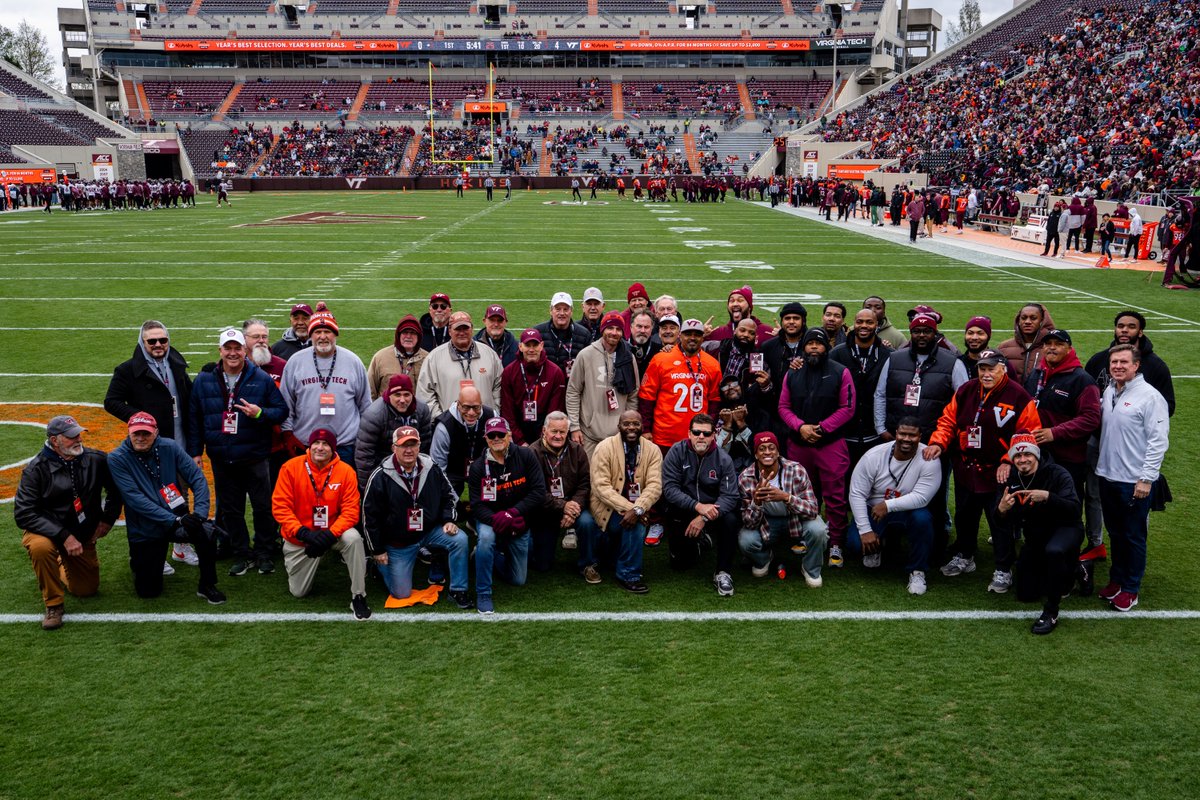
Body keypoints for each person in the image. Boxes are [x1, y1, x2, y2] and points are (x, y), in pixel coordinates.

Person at [925, 349, 1040, 592]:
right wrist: (938, 442)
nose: (985, 374)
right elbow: (948, 421)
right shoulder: (966, 390)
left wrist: (1008, 460)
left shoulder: (1019, 396)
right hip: (966, 467)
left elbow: (1027, 435)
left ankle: (1003, 568)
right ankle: (965, 555)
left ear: (1003, 369)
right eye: (981, 368)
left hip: (999, 471)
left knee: (1000, 520)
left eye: (991, 369)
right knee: (965, 515)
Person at [187, 328, 288, 577]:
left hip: (254, 455)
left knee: (263, 507)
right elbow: (194, 417)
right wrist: (195, 451)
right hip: (222, 456)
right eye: (228, 348)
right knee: (231, 509)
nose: (233, 353)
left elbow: (281, 411)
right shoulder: (204, 380)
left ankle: (264, 552)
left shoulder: (261, 378)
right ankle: (242, 553)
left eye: (237, 348)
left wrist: (260, 414)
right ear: (220, 351)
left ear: (246, 350)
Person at [14, 415, 122, 630]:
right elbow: (24, 513)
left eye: (79, 434)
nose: (79, 439)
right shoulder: (35, 470)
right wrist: (64, 536)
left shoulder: (96, 459)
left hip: (80, 532)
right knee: (40, 548)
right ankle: (54, 604)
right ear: (55, 441)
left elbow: (116, 490)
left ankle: (61, 563)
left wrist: (107, 519)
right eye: (72, 437)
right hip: (45, 530)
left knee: (87, 590)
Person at [1082, 311, 1175, 554]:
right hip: (1101, 451)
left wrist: (1146, 475)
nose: (1125, 330)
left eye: (1131, 326)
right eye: (1120, 326)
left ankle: (1131, 573)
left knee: (1133, 521)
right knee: (1097, 500)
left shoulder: (1156, 370)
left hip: (1134, 455)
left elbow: (1164, 417)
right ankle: (1096, 545)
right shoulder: (1102, 368)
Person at [108, 412, 223, 604]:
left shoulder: (169, 446)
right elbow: (135, 499)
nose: (140, 438)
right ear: (128, 432)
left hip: (175, 515)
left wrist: (200, 515)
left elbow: (197, 478)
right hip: (145, 526)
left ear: (156, 432)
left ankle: (207, 585)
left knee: (206, 532)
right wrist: (176, 520)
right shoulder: (117, 458)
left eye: (146, 433)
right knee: (148, 591)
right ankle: (139, 561)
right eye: (136, 433)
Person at [361, 425, 472, 609]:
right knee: (401, 593)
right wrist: (377, 549)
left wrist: (448, 520)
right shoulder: (380, 476)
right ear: (393, 448)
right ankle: (380, 567)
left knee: (459, 539)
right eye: (404, 445)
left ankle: (458, 590)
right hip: (398, 542)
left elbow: (450, 496)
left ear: (419, 446)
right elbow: (369, 516)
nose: (409, 450)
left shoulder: (431, 467)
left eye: (413, 444)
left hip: (429, 531)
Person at [1095, 344, 1170, 612]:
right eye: (1114, 362)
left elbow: (1158, 441)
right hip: (1108, 476)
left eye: (1124, 362)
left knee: (1133, 535)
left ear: (1136, 365)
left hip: (1133, 481)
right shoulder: (1110, 390)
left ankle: (1131, 588)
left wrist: (1146, 478)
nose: (1117, 366)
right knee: (1115, 533)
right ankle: (1117, 579)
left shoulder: (1150, 397)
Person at [272, 428, 371, 620]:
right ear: (309, 446)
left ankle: (358, 595)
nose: (320, 447)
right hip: (301, 538)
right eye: (316, 443)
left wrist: (329, 535)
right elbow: (280, 507)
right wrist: (303, 533)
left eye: (326, 444)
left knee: (353, 538)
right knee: (299, 592)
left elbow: (351, 511)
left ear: (333, 449)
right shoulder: (290, 468)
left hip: (332, 533)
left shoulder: (345, 471)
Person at [778, 328, 856, 567]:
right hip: (799, 444)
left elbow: (848, 407)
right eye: (809, 343)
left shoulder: (840, 372)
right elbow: (783, 406)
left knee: (834, 496)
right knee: (803, 494)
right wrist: (800, 427)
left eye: (818, 344)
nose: (813, 347)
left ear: (826, 348)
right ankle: (804, 535)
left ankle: (835, 543)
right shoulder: (793, 373)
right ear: (803, 347)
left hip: (830, 444)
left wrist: (821, 428)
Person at [995, 433, 1084, 635]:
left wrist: (1048, 497)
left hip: (1066, 528)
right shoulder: (1009, 478)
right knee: (1026, 594)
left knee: (1054, 551)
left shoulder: (1058, 473)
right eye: (1017, 456)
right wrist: (1001, 510)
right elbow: (1001, 522)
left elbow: (1075, 509)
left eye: (1028, 454)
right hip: (1036, 536)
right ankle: (1078, 569)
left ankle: (1051, 612)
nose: (1023, 459)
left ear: (1036, 455)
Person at [847, 418, 941, 595]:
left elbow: (922, 497)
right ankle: (877, 546)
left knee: (923, 519)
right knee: (855, 544)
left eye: (912, 435)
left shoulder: (929, 458)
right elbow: (857, 493)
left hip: (907, 509)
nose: (907, 439)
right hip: (874, 508)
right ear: (896, 434)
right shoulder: (873, 456)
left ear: (919, 437)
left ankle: (917, 570)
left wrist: (888, 505)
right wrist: (865, 530)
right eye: (903, 434)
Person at [467, 418, 548, 614]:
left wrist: (513, 513)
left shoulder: (526, 455)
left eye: (501, 434)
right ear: (486, 438)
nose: (497, 438)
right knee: (486, 538)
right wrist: (496, 519)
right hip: (490, 519)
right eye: (492, 435)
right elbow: (477, 505)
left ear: (509, 435)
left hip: (519, 519)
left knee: (518, 579)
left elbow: (538, 491)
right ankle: (483, 593)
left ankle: (486, 555)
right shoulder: (478, 467)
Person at [279, 302, 371, 465]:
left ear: (335, 334)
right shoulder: (295, 362)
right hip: (305, 444)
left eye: (327, 331)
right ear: (310, 335)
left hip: (345, 445)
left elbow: (365, 405)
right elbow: (286, 403)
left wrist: (362, 439)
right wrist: (288, 434)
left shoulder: (353, 362)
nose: (322, 336)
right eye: (317, 332)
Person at [660, 413, 740, 596]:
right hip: (685, 507)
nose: (701, 437)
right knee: (680, 564)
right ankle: (698, 541)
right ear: (689, 433)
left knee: (731, 519)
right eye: (696, 432)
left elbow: (730, 496)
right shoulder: (676, 451)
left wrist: (704, 516)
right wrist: (697, 506)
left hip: (714, 511)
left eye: (706, 433)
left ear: (713, 435)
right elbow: (670, 489)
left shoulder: (723, 459)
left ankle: (723, 572)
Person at [736, 431, 827, 587]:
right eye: (762, 448)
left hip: (796, 519)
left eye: (771, 448)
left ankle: (810, 568)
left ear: (778, 452)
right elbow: (748, 523)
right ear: (756, 454)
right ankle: (765, 558)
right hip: (766, 522)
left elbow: (813, 509)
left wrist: (786, 497)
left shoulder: (796, 470)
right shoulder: (746, 478)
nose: (767, 452)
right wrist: (756, 502)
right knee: (746, 540)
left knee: (819, 530)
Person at [586, 410, 662, 593]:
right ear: (618, 426)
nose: (631, 428)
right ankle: (616, 563)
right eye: (626, 423)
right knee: (632, 522)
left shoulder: (652, 450)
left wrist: (637, 510)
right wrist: (634, 510)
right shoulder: (604, 447)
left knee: (634, 524)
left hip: (635, 509)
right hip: (607, 508)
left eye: (635, 424)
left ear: (642, 426)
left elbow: (655, 486)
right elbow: (600, 487)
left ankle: (629, 575)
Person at [1023, 329, 1101, 501]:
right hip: (1037, 455)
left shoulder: (1082, 380)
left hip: (1067, 459)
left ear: (1069, 349)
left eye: (1059, 344)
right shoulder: (1036, 374)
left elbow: (1090, 419)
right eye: (1048, 344)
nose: (1052, 348)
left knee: (1066, 506)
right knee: (1035, 506)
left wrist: (1054, 433)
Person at [105, 320, 192, 449]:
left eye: (163, 340)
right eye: (152, 341)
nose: (158, 344)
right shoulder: (127, 370)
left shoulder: (177, 364)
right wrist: (140, 418)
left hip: (181, 436)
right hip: (149, 439)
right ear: (142, 343)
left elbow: (191, 396)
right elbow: (111, 402)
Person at [528, 412, 597, 574]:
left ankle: (588, 565)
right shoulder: (532, 452)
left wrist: (572, 509)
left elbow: (585, 485)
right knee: (542, 566)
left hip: (574, 505)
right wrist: (563, 506)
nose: (558, 436)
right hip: (545, 509)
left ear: (567, 432)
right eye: (554, 431)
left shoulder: (578, 451)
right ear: (544, 431)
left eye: (562, 432)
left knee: (587, 522)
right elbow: (536, 491)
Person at [639, 319, 722, 449]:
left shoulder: (712, 364)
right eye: (688, 334)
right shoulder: (661, 359)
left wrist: (708, 430)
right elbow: (646, 397)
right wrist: (645, 429)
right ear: (680, 335)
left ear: (703, 337)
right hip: (664, 438)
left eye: (697, 334)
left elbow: (715, 402)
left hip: (697, 438)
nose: (692, 338)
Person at [566, 311, 640, 455]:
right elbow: (573, 391)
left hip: (619, 436)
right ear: (602, 330)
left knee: (616, 476)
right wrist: (575, 427)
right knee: (590, 476)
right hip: (589, 435)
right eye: (610, 328)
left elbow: (633, 394)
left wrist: (628, 425)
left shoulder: (628, 358)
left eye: (618, 329)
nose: (614, 332)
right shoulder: (586, 355)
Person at [830, 308, 892, 468]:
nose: (864, 325)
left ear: (877, 325)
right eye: (859, 322)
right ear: (853, 324)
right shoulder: (836, 354)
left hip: (876, 435)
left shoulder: (889, 355)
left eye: (869, 322)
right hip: (843, 435)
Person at [418, 310, 503, 418]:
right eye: (458, 329)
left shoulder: (489, 354)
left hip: (484, 425)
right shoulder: (434, 358)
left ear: (472, 329)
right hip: (451, 427)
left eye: (465, 328)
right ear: (449, 331)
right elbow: (425, 394)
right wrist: (441, 419)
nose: (462, 332)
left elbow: (499, 389)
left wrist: (493, 414)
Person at [355, 373, 433, 488]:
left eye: (407, 395)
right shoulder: (374, 414)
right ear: (389, 394)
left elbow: (424, 448)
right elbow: (365, 456)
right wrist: (369, 488)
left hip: (412, 466)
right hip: (383, 468)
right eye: (397, 395)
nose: (402, 400)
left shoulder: (422, 410)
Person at [500, 328, 566, 446]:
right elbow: (507, 411)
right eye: (527, 345)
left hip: (545, 437)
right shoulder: (509, 372)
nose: (531, 349)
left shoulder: (555, 372)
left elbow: (554, 411)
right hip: (517, 433)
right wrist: (520, 441)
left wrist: (542, 441)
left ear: (541, 346)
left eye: (535, 345)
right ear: (520, 347)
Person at [430, 385, 496, 496]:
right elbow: (438, 468)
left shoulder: (492, 417)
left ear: (481, 405)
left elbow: (505, 449)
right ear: (458, 405)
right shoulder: (444, 426)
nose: (471, 413)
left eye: (476, 407)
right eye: (466, 407)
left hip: (485, 472)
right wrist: (451, 498)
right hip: (453, 476)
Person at [366, 314, 428, 401]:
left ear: (419, 336)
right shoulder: (380, 357)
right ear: (398, 335)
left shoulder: (428, 359)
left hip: (417, 413)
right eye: (405, 332)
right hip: (386, 413)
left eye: (413, 333)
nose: (408, 336)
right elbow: (370, 391)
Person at [535, 292, 592, 380]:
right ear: (551, 310)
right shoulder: (538, 332)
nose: (562, 313)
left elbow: (590, 365)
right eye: (558, 309)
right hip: (546, 387)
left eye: (566, 309)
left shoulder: (584, 334)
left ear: (571, 311)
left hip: (573, 387)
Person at [997, 303, 1056, 383]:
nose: (1027, 322)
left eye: (1033, 318)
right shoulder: (1004, 347)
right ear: (1019, 321)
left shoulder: (1054, 349)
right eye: (1024, 318)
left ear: (1042, 321)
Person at [958, 316, 994, 381]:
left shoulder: (999, 364)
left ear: (989, 336)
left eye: (980, 333)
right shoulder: (957, 363)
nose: (974, 337)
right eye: (970, 333)